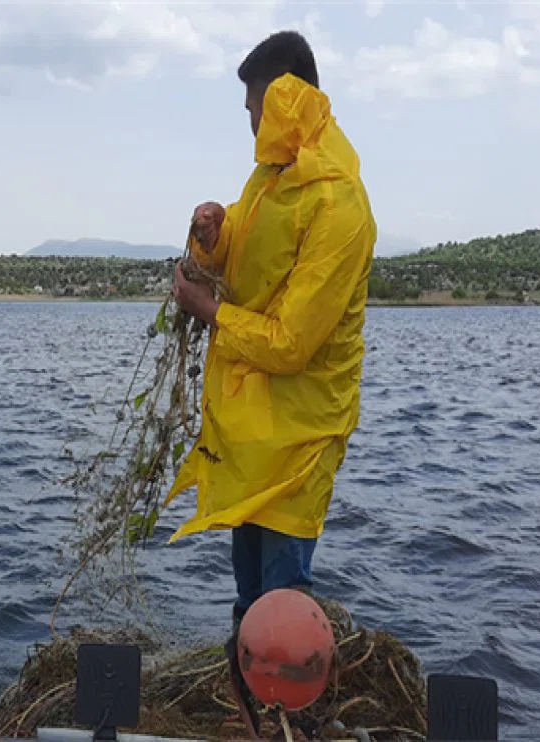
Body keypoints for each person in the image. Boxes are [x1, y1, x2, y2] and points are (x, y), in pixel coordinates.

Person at [166, 29, 377, 735]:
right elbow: (248, 254)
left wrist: (208, 308)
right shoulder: (273, 179)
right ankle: (257, 722)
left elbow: (289, 344)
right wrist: (212, 236)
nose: (251, 119)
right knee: (249, 597)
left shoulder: (341, 207)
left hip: (302, 435)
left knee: (283, 601)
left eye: (257, 104)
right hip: (256, 434)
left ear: (288, 100)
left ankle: (295, 727)